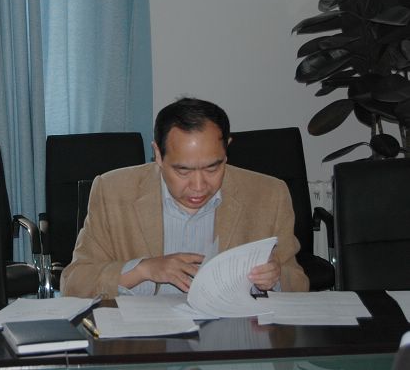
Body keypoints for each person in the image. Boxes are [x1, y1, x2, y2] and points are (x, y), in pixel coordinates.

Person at [60, 97, 309, 298]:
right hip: (147, 335)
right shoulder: (113, 191)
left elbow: (298, 283)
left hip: (232, 334)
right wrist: (142, 270)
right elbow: (74, 282)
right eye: (183, 171)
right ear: (158, 155)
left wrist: (275, 277)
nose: (199, 186)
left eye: (212, 168)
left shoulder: (269, 194)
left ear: (226, 149)